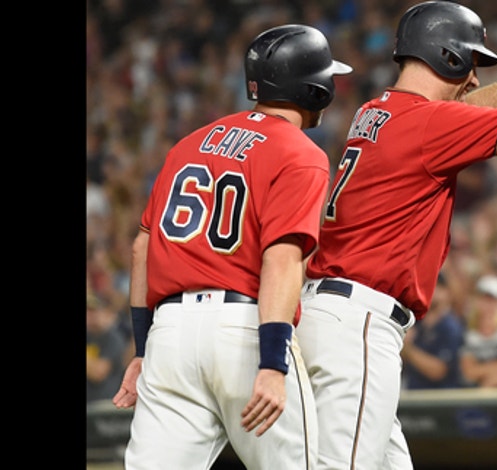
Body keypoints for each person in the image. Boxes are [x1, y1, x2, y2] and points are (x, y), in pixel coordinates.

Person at [297, 3, 497, 467]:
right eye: (472, 64)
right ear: (449, 57)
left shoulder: (376, 110)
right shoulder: (426, 124)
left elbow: (459, 111)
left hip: (333, 313)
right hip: (358, 322)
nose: (476, 78)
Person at [111, 24, 352, 469]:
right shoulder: (300, 152)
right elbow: (282, 259)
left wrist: (143, 351)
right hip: (243, 327)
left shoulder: (187, 144)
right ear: (315, 89)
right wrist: (273, 362)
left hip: (170, 334)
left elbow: (141, 249)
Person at [401, 275, 466, 389]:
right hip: (413, 394)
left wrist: (407, 348)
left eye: (439, 288)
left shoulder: (450, 327)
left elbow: (438, 371)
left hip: (439, 399)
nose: (434, 292)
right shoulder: (416, 322)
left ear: (448, 293)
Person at [87, 292, 130, 403]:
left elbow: (98, 373)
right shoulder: (88, 336)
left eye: (93, 311)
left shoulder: (113, 338)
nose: (90, 316)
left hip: (105, 406)